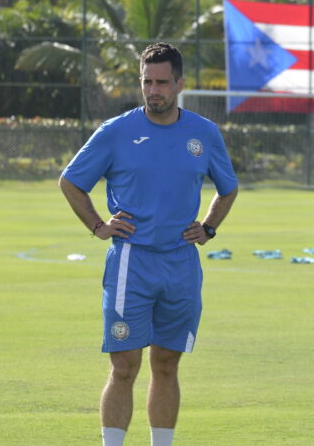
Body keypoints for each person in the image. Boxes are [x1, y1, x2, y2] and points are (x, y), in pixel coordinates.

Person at [59, 42, 238, 446]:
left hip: (180, 265)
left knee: (167, 364)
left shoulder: (204, 134)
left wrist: (208, 228)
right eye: (147, 82)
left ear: (179, 84)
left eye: (161, 83)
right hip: (131, 264)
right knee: (124, 366)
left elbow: (228, 189)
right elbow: (70, 181)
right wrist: (98, 225)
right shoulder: (116, 131)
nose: (153, 90)